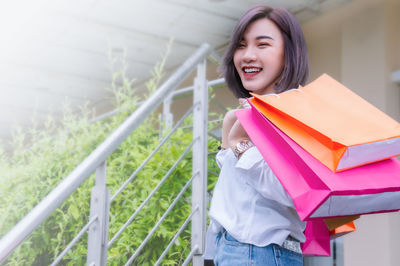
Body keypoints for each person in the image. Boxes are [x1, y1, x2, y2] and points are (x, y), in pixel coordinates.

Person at [204, 5, 309, 266]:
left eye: (262, 45)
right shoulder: (256, 112)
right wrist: (232, 125)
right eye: (241, 45)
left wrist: (240, 145)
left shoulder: (291, 112)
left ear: (288, 55)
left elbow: (291, 191)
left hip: (257, 253)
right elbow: (238, 190)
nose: (247, 55)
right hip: (237, 250)